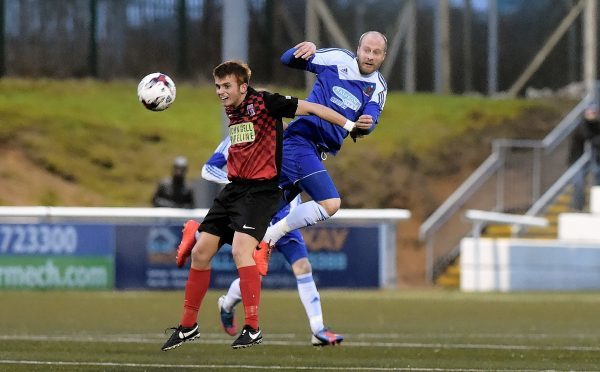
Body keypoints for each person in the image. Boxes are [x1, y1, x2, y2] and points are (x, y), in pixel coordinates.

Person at [161, 60, 360, 351]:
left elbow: (314, 108)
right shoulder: (233, 108)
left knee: (244, 251)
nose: (220, 92)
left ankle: (253, 327)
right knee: (201, 254)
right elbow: (225, 156)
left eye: (226, 86)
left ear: (243, 86)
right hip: (234, 190)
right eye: (217, 86)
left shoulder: (267, 102)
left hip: (261, 192)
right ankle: (188, 326)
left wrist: (348, 124)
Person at [257, 31, 388, 262]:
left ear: (383, 56)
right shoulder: (337, 59)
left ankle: (200, 234)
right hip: (299, 142)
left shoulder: (378, 88)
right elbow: (287, 60)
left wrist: (367, 125)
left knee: (255, 214)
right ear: (358, 49)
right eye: (366, 50)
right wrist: (304, 47)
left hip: (312, 152)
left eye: (376, 52)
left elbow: (370, 120)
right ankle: (270, 237)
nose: (370, 56)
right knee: (330, 203)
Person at [200, 136, 343, 346]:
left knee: (303, 266)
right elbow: (208, 169)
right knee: (253, 273)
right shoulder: (237, 134)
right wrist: (239, 183)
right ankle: (227, 304)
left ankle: (318, 329)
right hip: (258, 216)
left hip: (285, 217)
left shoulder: (284, 134)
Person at [568, 103, 600, 211]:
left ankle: (595, 205)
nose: (592, 114)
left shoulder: (597, 126)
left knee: (597, 177)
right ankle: (578, 206)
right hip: (578, 160)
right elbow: (586, 136)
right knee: (579, 183)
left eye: (594, 112)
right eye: (590, 112)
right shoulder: (581, 125)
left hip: (594, 159)